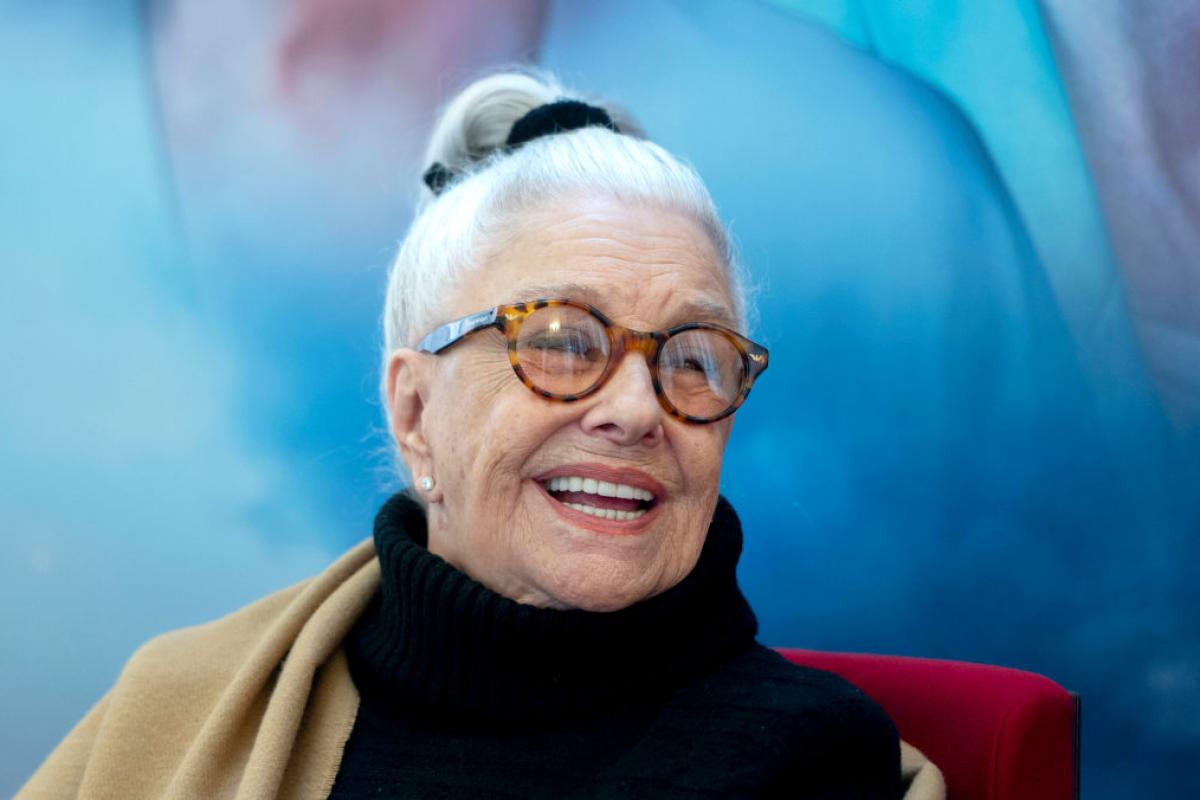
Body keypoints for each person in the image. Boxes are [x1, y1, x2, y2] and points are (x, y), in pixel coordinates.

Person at [17, 69, 943, 799]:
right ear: (415, 413)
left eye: (694, 358)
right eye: (562, 342)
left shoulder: (807, 757)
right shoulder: (177, 703)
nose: (635, 410)